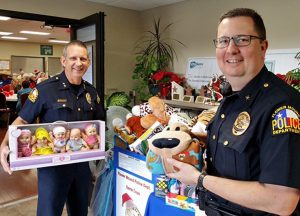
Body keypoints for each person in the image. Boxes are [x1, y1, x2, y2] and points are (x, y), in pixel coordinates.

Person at [167, 8, 300, 215]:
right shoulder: (230, 98)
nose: (231, 49)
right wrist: (192, 138)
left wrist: (199, 179)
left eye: (242, 39)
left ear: (263, 47)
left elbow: (281, 200)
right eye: (223, 40)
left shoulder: (282, 107)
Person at [0, 40, 105, 216]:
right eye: (73, 58)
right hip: (52, 167)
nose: (78, 63)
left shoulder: (92, 92)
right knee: (49, 212)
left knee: (80, 210)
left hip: (81, 165)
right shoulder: (45, 90)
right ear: (63, 61)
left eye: (83, 59)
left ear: (88, 62)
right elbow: (22, 120)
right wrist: (4, 144)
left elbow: (99, 124)